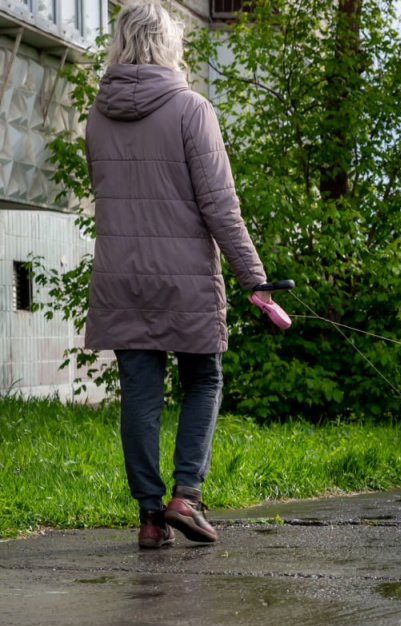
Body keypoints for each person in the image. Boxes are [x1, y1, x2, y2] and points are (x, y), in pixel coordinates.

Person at [84, 1, 274, 549]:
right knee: (204, 380)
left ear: (120, 43)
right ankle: (185, 497)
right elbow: (221, 206)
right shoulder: (192, 110)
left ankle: (149, 518)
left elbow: (106, 195)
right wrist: (253, 279)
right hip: (186, 277)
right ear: (169, 44)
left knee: (139, 398)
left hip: (121, 276)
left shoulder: (97, 116)